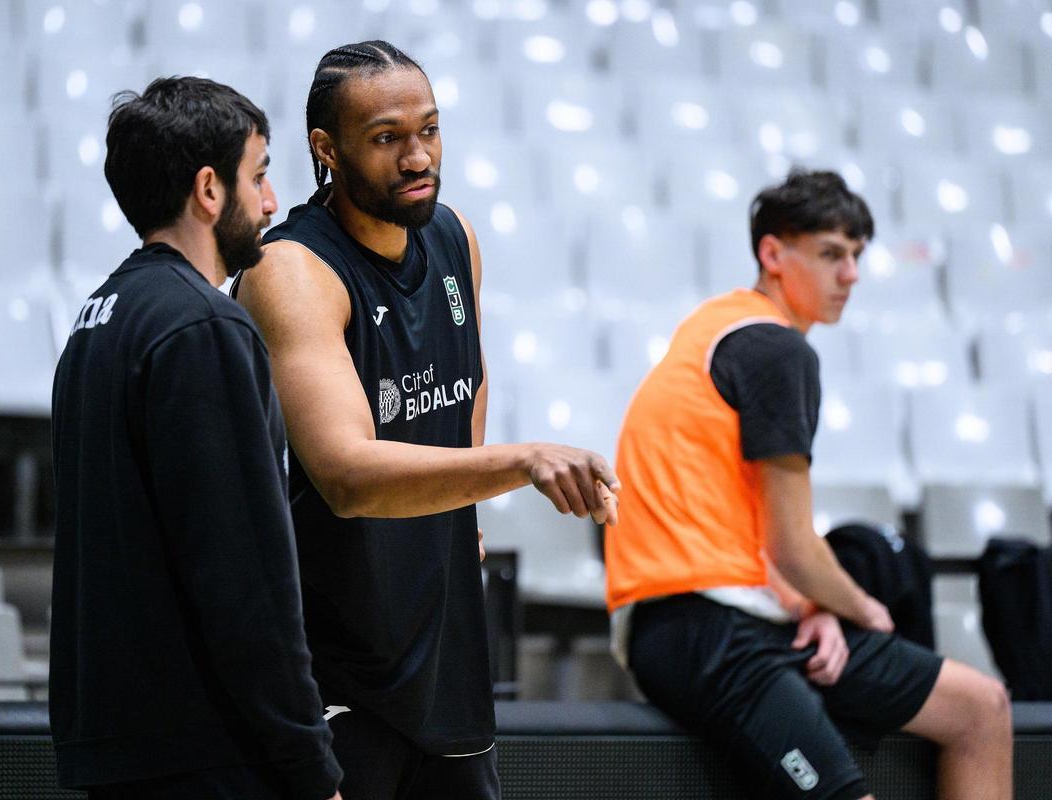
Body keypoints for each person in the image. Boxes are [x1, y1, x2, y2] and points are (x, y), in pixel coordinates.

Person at [232, 40, 619, 800]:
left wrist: (465, 503)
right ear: (327, 150)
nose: (418, 157)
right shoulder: (292, 271)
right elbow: (345, 474)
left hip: (446, 650)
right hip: (335, 665)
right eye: (387, 138)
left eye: (430, 130)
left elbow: (465, 378)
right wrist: (518, 461)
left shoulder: (454, 238)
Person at [605, 170, 1012, 800]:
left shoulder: (716, 325)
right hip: (705, 629)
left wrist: (812, 605)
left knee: (980, 709)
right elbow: (792, 544)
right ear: (773, 253)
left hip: (723, 614)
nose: (850, 274)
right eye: (830, 254)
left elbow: (738, 528)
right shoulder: (774, 349)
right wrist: (865, 611)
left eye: (856, 256)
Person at [50, 76, 342, 800]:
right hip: (210, 756)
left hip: (122, 751)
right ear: (209, 191)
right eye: (261, 174)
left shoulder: (98, 318)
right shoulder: (204, 325)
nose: (273, 202)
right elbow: (245, 579)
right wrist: (314, 767)